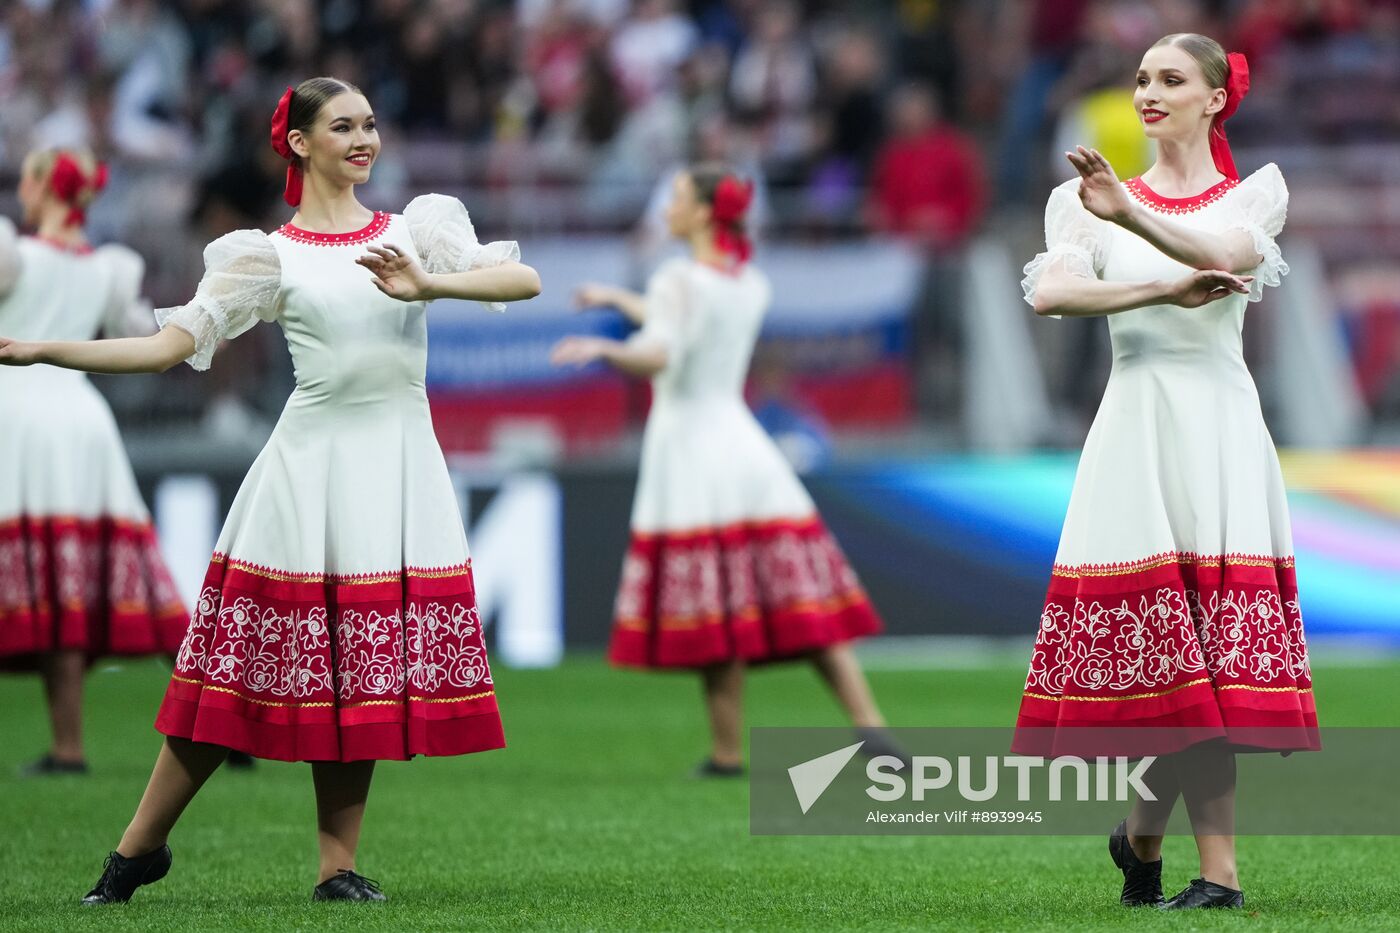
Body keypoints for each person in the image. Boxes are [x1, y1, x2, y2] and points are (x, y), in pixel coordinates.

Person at [0, 76, 541, 904]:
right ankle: (136, 848)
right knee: (231, 676)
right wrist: (42, 349)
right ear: (298, 142)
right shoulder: (268, 254)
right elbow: (163, 347)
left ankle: (336, 866)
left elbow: (521, 281)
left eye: (370, 124)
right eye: (343, 126)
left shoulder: (417, 229)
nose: (365, 139)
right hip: (306, 472)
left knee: (354, 676)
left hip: (395, 466)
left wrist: (430, 284)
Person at [1013, 35, 1318, 910]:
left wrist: (1130, 215)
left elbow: (1227, 255)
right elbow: (1050, 293)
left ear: (1216, 98)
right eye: (1143, 78)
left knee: (1207, 660)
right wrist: (1152, 284)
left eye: (1171, 79)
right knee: (1177, 659)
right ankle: (1156, 845)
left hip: (1219, 424)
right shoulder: (1079, 202)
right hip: (1136, 424)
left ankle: (1191, 861)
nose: (1149, 92)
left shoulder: (1257, 191)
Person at [551, 164, 891, 776]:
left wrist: (607, 347)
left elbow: (662, 346)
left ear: (705, 212)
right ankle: (870, 725)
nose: (668, 206)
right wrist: (617, 299)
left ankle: (730, 750)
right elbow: (681, 315)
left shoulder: (677, 278)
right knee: (801, 602)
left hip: (691, 448)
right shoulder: (748, 281)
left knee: (717, 610)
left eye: (677, 196)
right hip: (745, 445)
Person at [0, 147, 187, 776]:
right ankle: (222, 714)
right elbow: (135, 330)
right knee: (110, 576)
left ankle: (70, 747)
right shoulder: (107, 267)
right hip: (82, 419)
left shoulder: (15, 255)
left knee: (46, 581)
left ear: (42, 186)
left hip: (19, 420)